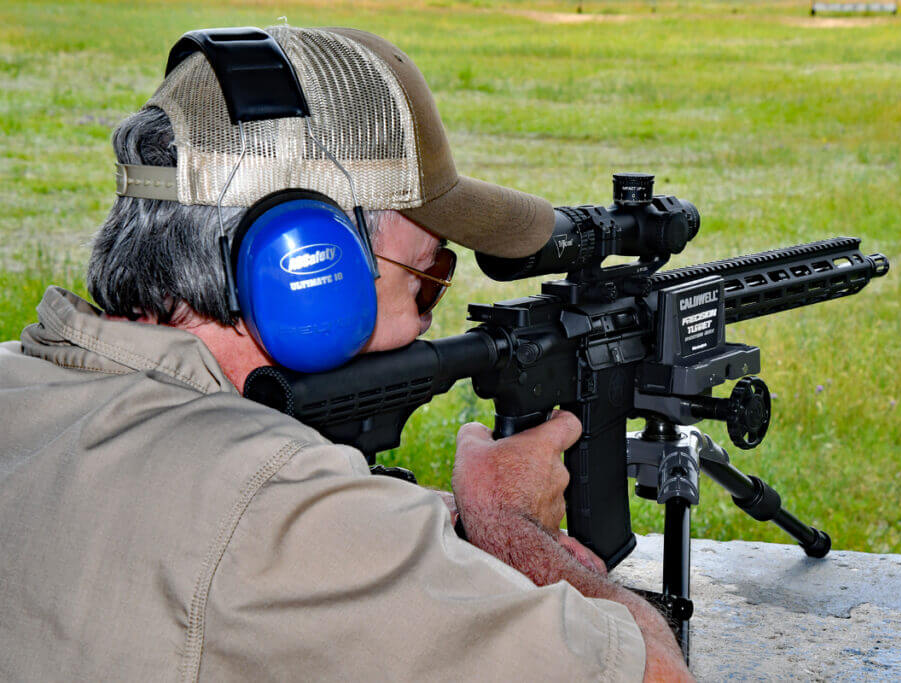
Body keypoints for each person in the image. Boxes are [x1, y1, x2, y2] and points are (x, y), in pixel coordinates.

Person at [0, 25, 691, 681]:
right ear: (311, 267)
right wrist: (505, 525)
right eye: (429, 276)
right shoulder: (283, 512)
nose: (428, 314)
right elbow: (655, 672)